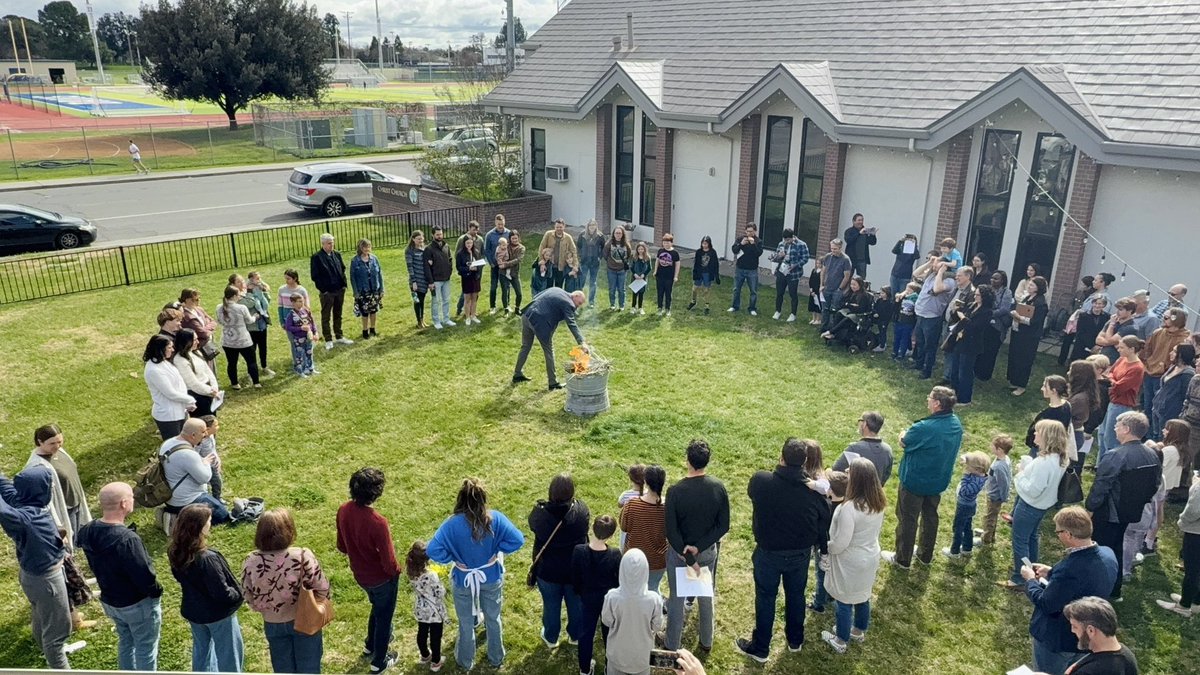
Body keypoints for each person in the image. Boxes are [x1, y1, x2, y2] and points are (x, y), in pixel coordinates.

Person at [735, 438, 831, 662]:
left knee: (766, 598)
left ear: (781, 457)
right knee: (796, 596)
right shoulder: (813, 491)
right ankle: (795, 640)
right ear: (805, 461)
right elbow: (823, 517)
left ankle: (761, 648)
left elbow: (753, 493)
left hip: (768, 553)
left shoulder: (761, 481)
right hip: (799, 554)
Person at [427, 478, 526, 671]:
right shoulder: (495, 518)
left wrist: (452, 558)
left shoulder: (451, 525)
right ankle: (496, 657)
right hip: (490, 576)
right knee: (493, 618)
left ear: (460, 499)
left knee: (465, 623)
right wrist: (497, 550)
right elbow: (518, 540)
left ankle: (465, 661)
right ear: (483, 499)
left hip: (463, 579)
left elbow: (432, 550)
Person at [1019, 508, 1119, 675]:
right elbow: (1083, 581)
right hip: (1087, 639)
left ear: (1068, 534)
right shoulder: (1108, 554)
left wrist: (1030, 580)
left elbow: (1047, 603)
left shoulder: (1070, 570)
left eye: (1058, 531)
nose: (1057, 535)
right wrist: (1051, 573)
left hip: (1058, 640)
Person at [77, 482, 164, 672]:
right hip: (136, 604)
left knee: (126, 642)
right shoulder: (127, 539)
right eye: (132, 497)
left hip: (110, 601)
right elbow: (144, 574)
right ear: (124, 503)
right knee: (145, 648)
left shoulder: (88, 530)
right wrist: (156, 592)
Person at [882, 386, 964, 569]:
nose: (927, 399)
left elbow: (905, 441)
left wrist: (902, 433)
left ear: (937, 404)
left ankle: (903, 558)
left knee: (908, 519)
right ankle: (925, 555)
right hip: (938, 480)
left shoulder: (924, 427)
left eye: (930, 397)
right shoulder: (956, 424)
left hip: (915, 481)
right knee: (930, 516)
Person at [0, 466, 73, 669]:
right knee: (58, 632)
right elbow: (2, 510)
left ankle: (48, 650)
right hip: (48, 581)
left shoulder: (24, 502)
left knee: (42, 615)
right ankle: (56, 661)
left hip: (32, 577)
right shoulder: (25, 519)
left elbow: (5, 488)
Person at [242, 509, 329, 674]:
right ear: (289, 530)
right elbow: (322, 587)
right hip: (304, 618)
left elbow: (247, 593)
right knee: (309, 667)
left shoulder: (251, 560)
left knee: (283, 669)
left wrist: (261, 607)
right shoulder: (302, 556)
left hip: (272, 622)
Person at [664, 440, 730, 652]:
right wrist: (699, 548)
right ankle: (706, 641)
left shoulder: (675, 491)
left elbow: (671, 531)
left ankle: (671, 643)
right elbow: (723, 525)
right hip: (706, 553)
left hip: (680, 555)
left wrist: (688, 555)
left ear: (687, 461)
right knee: (705, 596)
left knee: (676, 600)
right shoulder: (718, 488)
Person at [1087, 411, 1161, 600]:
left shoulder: (1116, 455)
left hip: (1108, 513)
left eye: (1118, 425)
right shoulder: (1152, 455)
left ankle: (1095, 591)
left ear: (1127, 429)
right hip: (1130, 513)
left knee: (1098, 551)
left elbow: (1101, 486)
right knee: (1116, 548)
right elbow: (1155, 485)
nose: (1115, 428)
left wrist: (1089, 509)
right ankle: (1114, 590)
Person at [336, 468, 402, 674]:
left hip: (361, 576)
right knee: (385, 617)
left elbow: (342, 546)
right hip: (382, 579)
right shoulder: (378, 523)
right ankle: (379, 661)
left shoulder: (344, 509)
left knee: (377, 607)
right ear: (376, 493)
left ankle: (370, 644)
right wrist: (397, 572)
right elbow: (389, 562)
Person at [820, 458, 887, 654]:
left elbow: (841, 543)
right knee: (862, 596)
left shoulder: (849, 508)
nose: (845, 475)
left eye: (849, 473)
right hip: (870, 555)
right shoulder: (879, 501)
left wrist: (825, 548)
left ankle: (841, 639)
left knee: (844, 600)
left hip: (850, 561)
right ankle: (858, 630)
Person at [169, 503, 244, 673]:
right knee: (228, 655)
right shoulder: (207, 559)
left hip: (194, 611)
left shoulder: (176, 550)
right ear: (200, 527)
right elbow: (222, 593)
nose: (210, 524)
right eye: (209, 521)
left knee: (202, 653)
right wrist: (239, 592)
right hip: (218, 615)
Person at [1000, 419, 1069, 589]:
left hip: (1030, 505)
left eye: (1038, 432)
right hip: (1043, 505)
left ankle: (1020, 577)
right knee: (1032, 536)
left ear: (1047, 436)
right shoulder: (1058, 458)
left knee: (1020, 540)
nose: (1034, 434)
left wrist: (1020, 474)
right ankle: (1033, 569)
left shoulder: (1043, 463)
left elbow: (1033, 490)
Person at [529, 473, 591, 648]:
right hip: (575, 569)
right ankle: (576, 635)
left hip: (548, 571)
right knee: (576, 605)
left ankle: (551, 637)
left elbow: (533, 525)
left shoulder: (539, 515)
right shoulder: (581, 511)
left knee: (551, 606)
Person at [571, 515, 622, 675]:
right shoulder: (615, 554)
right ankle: (610, 668)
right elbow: (619, 581)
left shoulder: (579, 551)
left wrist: (579, 592)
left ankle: (584, 670)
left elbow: (575, 576)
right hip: (608, 602)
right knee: (610, 637)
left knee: (585, 635)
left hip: (586, 599)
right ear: (611, 535)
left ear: (592, 529)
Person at [26, 424, 92, 545]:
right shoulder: (38, 466)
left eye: (60, 441)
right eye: (52, 443)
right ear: (40, 441)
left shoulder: (60, 451)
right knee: (68, 541)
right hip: (65, 509)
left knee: (78, 538)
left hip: (76, 502)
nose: (57, 446)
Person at [601, 548, 664, 675]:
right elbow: (658, 626)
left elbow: (606, 621)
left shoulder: (612, 597)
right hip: (642, 658)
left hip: (617, 656)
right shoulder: (654, 599)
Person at [512, 287, 589, 390]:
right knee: (549, 351)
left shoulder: (557, 289)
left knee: (525, 346)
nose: (577, 306)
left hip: (527, 315)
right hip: (539, 322)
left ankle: (517, 374)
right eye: (578, 303)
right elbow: (571, 323)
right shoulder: (568, 303)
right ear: (575, 296)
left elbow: (537, 296)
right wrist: (582, 342)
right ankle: (553, 382)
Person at [161, 418, 229, 525]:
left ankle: (175, 516)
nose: (206, 434)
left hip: (169, 499)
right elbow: (205, 478)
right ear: (192, 435)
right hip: (188, 500)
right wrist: (206, 462)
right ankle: (181, 519)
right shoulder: (188, 454)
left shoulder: (168, 443)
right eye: (203, 432)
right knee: (223, 515)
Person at [1155, 469, 1200, 617]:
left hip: (1196, 533)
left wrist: (1181, 520)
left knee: (1191, 569)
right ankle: (1195, 601)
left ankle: (1184, 606)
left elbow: (1193, 511)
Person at [620, 465, 668, 592]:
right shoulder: (668, 507)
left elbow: (624, 527)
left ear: (645, 482)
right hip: (658, 561)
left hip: (633, 559)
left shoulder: (632, 504)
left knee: (632, 591)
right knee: (653, 590)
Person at [945, 284, 995, 405]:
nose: (975, 297)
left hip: (971, 344)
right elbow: (959, 319)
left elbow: (975, 327)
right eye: (975, 294)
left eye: (978, 295)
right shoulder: (972, 305)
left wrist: (963, 318)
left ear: (984, 297)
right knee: (955, 370)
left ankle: (965, 399)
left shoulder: (987, 312)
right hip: (960, 340)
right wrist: (955, 311)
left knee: (965, 372)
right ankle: (954, 395)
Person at [1098, 336, 1146, 460]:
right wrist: (1112, 380)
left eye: (1122, 347)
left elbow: (1120, 387)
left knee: (1111, 438)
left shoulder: (1137, 368)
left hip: (1122, 404)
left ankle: (1111, 463)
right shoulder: (1121, 359)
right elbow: (1110, 372)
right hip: (1112, 401)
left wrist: (1111, 380)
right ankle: (1100, 463)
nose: (1118, 349)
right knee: (1102, 433)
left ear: (1132, 349)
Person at [1063, 597, 1139, 674]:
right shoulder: (1126, 655)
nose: (1072, 630)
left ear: (1091, 630)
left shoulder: (1090, 671)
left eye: (1075, 626)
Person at [911, 259, 957, 380]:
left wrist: (941, 272)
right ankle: (919, 364)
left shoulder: (950, 281)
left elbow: (937, 289)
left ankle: (927, 370)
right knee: (920, 342)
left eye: (938, 264)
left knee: (929, 345)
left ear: (945, 267)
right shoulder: (931, 275)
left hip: (932, 317)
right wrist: (929, 264)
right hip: (921, 314)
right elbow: (915, 274)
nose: (935, 266)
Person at [143, 334, 196, 440]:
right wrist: (190, 399)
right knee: (175, 445)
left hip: (180, 410)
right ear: (160, 349)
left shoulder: (163, 362)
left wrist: (186, 403)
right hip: (169, 416)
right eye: (169, 347)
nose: (172, 350)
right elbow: (170, 393)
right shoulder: (154, 370)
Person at [406, 541, 448, 672]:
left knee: (422, 632)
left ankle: (425, 655)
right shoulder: (431, 575)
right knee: (435, 636)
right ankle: (436, 661)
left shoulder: (411, 573)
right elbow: (440, 592)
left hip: (421, 609)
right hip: (434, 610)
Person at [1142, 307, 1191, 418]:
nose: (1162, 319)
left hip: (1167, 376)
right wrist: (1147, 364)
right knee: (1147, 406)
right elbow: (1147, 350)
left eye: (1166, 318)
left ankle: (1156, 434)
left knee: (1160, 410)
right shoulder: (1158, 333)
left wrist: (1167, 368)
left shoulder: (1186, 338)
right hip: (1149, 373)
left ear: (1175, 320)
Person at [1008, 275, 1050, 396]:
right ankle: (1014, 380)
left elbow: (1035, 321)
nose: (1029, 286)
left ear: (1038, 288)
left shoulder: (1041, 303)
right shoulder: (1027, 297)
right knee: (1015, 356)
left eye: (1032, 285)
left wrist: (1019, 318)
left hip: (1029, 336)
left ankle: (1021, 385)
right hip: (1018, 332)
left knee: (1024, 359)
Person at [310, 233, 353, 349]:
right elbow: (315, 276)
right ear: (323, 244)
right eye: (329, 243)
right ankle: (328, 339)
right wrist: (324, 290)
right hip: (327, 292)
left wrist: (343, 285)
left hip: (339, 289)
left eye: (332, 243)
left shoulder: (337, 254)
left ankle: (339, 335)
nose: (331, 245)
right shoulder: (317, 257)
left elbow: (342, 268)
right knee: (326, 316)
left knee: (338, 314)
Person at [215, 285, 261, 390]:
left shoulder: (219, 307)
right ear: (235, 295)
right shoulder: (241, 308)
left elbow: (220, 321)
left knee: (232, 363)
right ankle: (256, 382)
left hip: (228, 340)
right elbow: (249, 321)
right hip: (243, 339)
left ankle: (235, 383)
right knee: (251, 361)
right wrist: (255, 316)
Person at [831, 412, 894, 485]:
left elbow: (836, 470)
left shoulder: (854, 448)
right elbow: (886, 475)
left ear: (864, 424)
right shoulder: (888, 450)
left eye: (860, 421)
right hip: (875, 494)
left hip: (854, 494)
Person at [975, 270, 1015, 381]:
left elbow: (1004, 309)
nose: (993, 280)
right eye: (992, 277)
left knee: (990, 350)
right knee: (981, 348)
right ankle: (976, 370)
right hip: (985, 324)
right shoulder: (988, 289)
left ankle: (985, 374)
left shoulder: (1007, 292)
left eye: (996, 278)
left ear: (1002, 281)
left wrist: (989, 313)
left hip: (997, 326)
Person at [233, 273, 274, 378]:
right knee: (252, 350)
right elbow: (250, 304)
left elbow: (267, 299)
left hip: (261, 322)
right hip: (251, 326)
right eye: (239, 281)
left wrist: (261, 291)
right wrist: (251, 292)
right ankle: (251, 372)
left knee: (263, 346)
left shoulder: (253, 289)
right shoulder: (238, 295)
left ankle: (264, 367)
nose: (243, 283)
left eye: (242, 281)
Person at [1153, 344, 1196, 439]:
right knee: (1155, 436)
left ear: (1181, 354)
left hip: (1171, 413)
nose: (1171, 353)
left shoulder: (1188, 374)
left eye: (1174, 351)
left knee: (1164, 439)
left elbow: (1185, 397)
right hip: (1158, 410)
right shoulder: (1173, 367)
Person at [1027, 375, 1075, 456]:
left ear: (1054, 391)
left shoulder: (1051, 414)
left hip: (1042, 450)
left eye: (1045, 386)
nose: (1042, 389)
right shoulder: (1066, 405)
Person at [979, 434, 1014, 546]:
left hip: (995, 496)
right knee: (991, 516)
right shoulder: (1004, 459)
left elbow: (1003, 483)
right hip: (995, 494)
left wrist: (1004, 497)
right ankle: (990, 536)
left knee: (989, 518)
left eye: (993, 446)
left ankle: (986, 539)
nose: (990, 446)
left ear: (999, 450)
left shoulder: (999, 466)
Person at [770, 228, 809, 321]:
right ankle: (777, 311)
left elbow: (805, 258)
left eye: (788, 240)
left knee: (793, 294)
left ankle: (793, 313)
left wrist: (795, 265)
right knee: (779, 292)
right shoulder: (781, 244)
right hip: (782, 271)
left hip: (793, 273)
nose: (786, 241)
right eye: (785, 240)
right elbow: (776, 257)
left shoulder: (801, 245)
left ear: (792, 237)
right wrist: (779, 256)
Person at [349, 238, 385, 338]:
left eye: (368, 246)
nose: (367, 249)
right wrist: (356, 292)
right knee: (364, 312)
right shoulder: (355, 261)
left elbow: (380, 274)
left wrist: (381, 289)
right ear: (360, 248)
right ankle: (365, 331)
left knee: (373, 311)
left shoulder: (374, 259)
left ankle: (373, 329)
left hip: (374, 290)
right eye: (364, 247)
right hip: (363, 291)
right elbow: (353, 278)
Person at [818, 238, 854, 331]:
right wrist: (821, 285)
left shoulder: (845, 260)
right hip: (826, 288)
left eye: (835, 249)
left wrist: (840, 288)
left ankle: (832, 329)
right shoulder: (828, 257)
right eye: (832, 248)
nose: (833, 251)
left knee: (834, 310)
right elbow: (823, 271)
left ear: (840, 248)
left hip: (837, 289)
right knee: (825, 309)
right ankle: (823, 327)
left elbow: (846, 276)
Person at [729, 223, 764, 315]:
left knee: (753, 290)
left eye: (751, 231)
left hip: (752, 270)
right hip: (740, 268)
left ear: (755, 231)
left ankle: (752, 308)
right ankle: (734, 306)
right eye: (747, 231)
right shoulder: (740, 239)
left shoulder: (758, 241)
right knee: (736, 289)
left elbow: (758, 253)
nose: (749, 233)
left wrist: (753, 244)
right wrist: (741, 244)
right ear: (745, 231)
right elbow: (734, 250)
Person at [179, 287, 218, 370]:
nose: (198, 301)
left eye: (198, 299)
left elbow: (213, 321)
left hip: (208, 345)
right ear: (187, 300)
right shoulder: (186, 316)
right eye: (195, 300)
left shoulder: (198, 309)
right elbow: (203, 334)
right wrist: (208, 328)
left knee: (213, 369)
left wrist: (205, 327)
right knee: (206, 371)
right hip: (199, 348)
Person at [425, 227, 456, 328]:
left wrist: (449, 271)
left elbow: (450, 259)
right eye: (437, 235)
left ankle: (446, 319)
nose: (440, 236)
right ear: (433, 235)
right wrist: (430, 282)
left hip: (446, 278)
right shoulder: (429, 249)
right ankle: (436, 321)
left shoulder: (446, 246)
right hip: (435, 280)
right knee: (436, 301)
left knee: (446, 300)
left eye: (441, 234)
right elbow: (426, 267)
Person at [1095, 298, 1139, 363]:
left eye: (1121, 310)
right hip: (1102, 358)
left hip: (1115, 361)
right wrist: (1109, 342)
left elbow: (1109, 340)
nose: (1117, 312)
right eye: (1117, 309)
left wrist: (1111, 325)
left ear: (1130, 311)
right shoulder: (1112, 320)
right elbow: (1098, 340)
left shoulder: (1131, 327)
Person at [455, 221, 485, 316]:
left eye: (477, 230)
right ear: (469, 228)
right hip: (466, 270)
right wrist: (466, 266)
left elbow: (482, 253)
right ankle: (460, 308)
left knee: (475, 290)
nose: (475, 232)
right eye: (473, 230)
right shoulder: (462, 239)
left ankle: (472, 311)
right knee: (466, 292)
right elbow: (457, 254)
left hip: (477, 269)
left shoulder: (480, 239)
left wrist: (480, 265)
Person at [284, 294, 318, 377]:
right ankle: (300, 371)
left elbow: (312, 323)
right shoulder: (291, 315)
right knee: (299, 355)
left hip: (308, 337)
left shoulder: (307, 311)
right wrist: (300, 328)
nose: (302, 303)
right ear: (293, 303)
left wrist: (315, 332)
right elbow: (288, 327)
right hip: (298, 338)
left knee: (309, 352)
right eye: (299, 301)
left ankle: (311, 368)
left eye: (302, 301)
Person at [1069, 297, 1112, 364]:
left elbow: (1106, 332)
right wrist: (1092, 346)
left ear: (1104, 305)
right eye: (1095, 303)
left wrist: (1098, 346)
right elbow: (1080, 332)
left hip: (1098, 347)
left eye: (1100, 304)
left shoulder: (1107, 317)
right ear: (1092, 303)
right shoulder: (1083, 315)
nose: (1097, 306)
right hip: (1082, 345)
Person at [539, 218, 579, 288]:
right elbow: (541, 247)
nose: (559, 229)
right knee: (548, 287)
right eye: (557, 227)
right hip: (550, 265)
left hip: (561, 267)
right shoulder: (548, 234)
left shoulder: (568, 238)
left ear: (564, 227)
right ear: (554, 227)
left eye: (560, 227)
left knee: (559, 288)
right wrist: (542, 262)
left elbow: (574, 251)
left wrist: (575, 265)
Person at [404, 231, 432, 329]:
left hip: (424, 279)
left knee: (422, 300)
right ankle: (419, 321)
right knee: (417, 301)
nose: (420, 240)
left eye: (421, 238)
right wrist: (414, 281)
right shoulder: (409, 251)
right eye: (418, 239)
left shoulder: (424, 249)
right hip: (415, 280)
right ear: (413, 239)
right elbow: (410, 267)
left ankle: (422, 319)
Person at [484, 214, 511, 313]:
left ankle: (507, 305)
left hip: (505, 265)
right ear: (495, 223)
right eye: (499, 224)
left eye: (502, 224)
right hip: (494, 265)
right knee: (493, 286)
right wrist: (491, 263)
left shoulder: (508, 233)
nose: (501, 226)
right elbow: (486, 250)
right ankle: (492, 306)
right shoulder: (490, 235)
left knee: (506, 286)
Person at [688, 235, 721, 315]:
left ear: (709, 244)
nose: (704, 245)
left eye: (706, 243)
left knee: (706, 290)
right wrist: (694, 273)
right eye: (703, 243)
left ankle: (707, 305)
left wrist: (716, 276)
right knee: (695, 288)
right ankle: (693, 301)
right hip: (699, 272)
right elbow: (696, 263)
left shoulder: (713, 252)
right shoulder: (699, 252)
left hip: (708, 273)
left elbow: (715, 264)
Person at [578, 219, 605, 307]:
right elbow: (578, 246)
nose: (592, 226)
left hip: (594, 263)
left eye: (594, 225)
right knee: (581, 281)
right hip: (584, 261)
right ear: (587, 226)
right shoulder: (582, 235)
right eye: (590, 225)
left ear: (596, 226)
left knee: (593, 282)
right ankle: (579, 300)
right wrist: (581, 256)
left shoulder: (600, 236)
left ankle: (591, 301)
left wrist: (599, 257)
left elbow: (603, 248)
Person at [604, 227, 633, 311]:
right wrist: (611, 263)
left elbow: (629, 255)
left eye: (620, 233)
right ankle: (612, 304)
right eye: (616, 233)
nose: (618, 235)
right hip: (611, 270)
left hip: (622, 270)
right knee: (612, 288)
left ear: (623, 234)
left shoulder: (626, 244)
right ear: (613, 234)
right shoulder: (609, 244)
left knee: (621, 289)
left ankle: (621, 305)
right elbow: (605, 255)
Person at [654, 234, 681, 316]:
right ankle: (659, 308)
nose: (666, 244)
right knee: (660, 292)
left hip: (669, 277)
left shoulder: (675, 253)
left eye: (668, 242)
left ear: (671, 243)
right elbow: (657, 261)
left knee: (668, 293)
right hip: (660, 276)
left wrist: (676, 276)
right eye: (664, 242)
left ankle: (668, 309)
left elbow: (677, 265)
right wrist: (655, 271)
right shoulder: (660, 251)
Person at [892, 281, 920, 361]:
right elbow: (895, 308)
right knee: (897, 337)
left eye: (910, 289)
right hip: (899, 320)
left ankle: (901, 354)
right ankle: (895, 352)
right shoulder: (902, 297)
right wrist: (897, 300)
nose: (907, 290)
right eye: (907, 288)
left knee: (904, 338)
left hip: (908, 322)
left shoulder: (915, 299)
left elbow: (915, 311)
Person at [843, 213, 876, 278]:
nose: (861, 222)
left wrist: (873, 235)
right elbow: (848, 240)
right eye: (859, 220)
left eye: (862, 220)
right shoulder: (849, 231)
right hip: (851, 260)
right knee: (847, 278)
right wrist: (859, 233)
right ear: (854, 221)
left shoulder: (866, 232)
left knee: (861, 280)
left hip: (862, 260)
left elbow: (873, 242)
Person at [500, 230, 526, 315]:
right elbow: (499, 254)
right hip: (503, 273)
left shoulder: (521, 248)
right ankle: (506, 310)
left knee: (519, 293)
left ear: (518, 238)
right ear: (510, 239)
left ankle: (517, 308)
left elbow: (518, 259)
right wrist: (500, 262)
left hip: (514, 273)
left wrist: (506, 264)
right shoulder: (506, 246)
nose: (514, 240)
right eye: (512, 238)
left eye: (516, 238)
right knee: (505, 291)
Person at [630, 243, 652, 314]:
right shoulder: (634, 257)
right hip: (635, 278)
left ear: (644, 249)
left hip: (643, 278)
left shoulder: (647, 258)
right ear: (637, 250)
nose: (640, 250)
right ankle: (633, 307)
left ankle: (640, 308)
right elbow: (631, 267)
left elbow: (649, 268)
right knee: (635, 293)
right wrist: (635, 274)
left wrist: (644, 275)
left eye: (642, 249)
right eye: (639, 249)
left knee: (641, 293)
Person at [807, 259, 824, 325]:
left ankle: (818, 319)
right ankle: (813, 318)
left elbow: (820, 282)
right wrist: (811, 289)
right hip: (812, 290)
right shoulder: (814, 271)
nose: (818, 265)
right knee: (812, 305)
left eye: (820, 264)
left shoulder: (822, 272)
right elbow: (811, 280)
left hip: (818, 291)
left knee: (818, 305)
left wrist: (816, 291)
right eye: (817, 263)